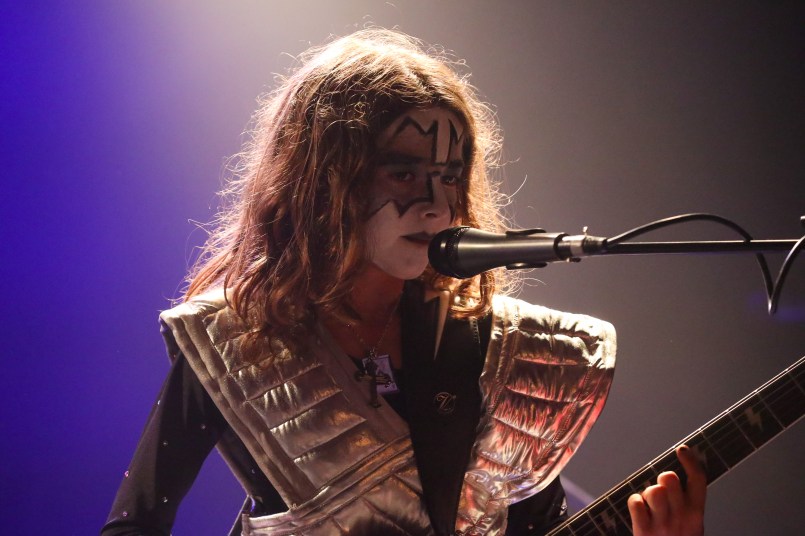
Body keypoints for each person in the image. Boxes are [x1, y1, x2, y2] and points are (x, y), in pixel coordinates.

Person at [102, 29, 705, 536]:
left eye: (450, 176)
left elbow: (533, 525)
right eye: (403, 173)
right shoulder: (233, 340)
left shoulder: (494, 345)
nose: (436, 205)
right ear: (325, 178)